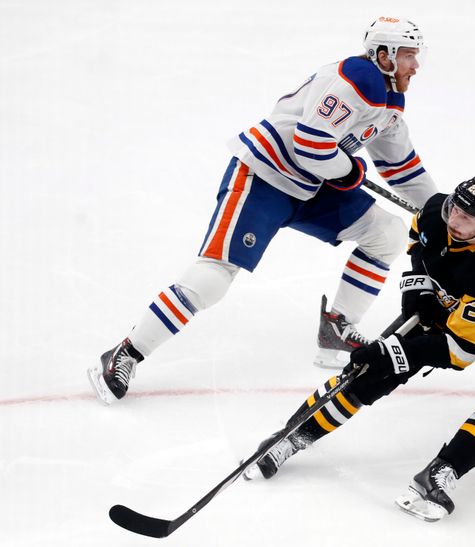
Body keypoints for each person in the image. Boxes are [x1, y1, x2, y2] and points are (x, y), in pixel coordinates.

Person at [87, 17, 438, 404]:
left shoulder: (388, 100)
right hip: (265, 177)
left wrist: (442, 213)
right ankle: (126, 352)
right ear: (383, 55)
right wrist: (349, 169)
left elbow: (402, 168)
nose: (415, 65)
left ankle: (336, 328)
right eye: (408, 55)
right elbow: (311, 144)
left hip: (312, 184)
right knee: (211, 279)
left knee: (385, 234)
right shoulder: (356, 79)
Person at [242, 175, 475, 522]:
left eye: (466, 219)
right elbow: (418, 242)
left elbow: (461, 350)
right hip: (452, 303)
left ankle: (440, 473)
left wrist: (395, 351)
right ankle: (291, 436)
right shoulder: (437, 210)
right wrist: (417, 297)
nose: (453, 220)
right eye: (455, 208)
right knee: (369, 373)